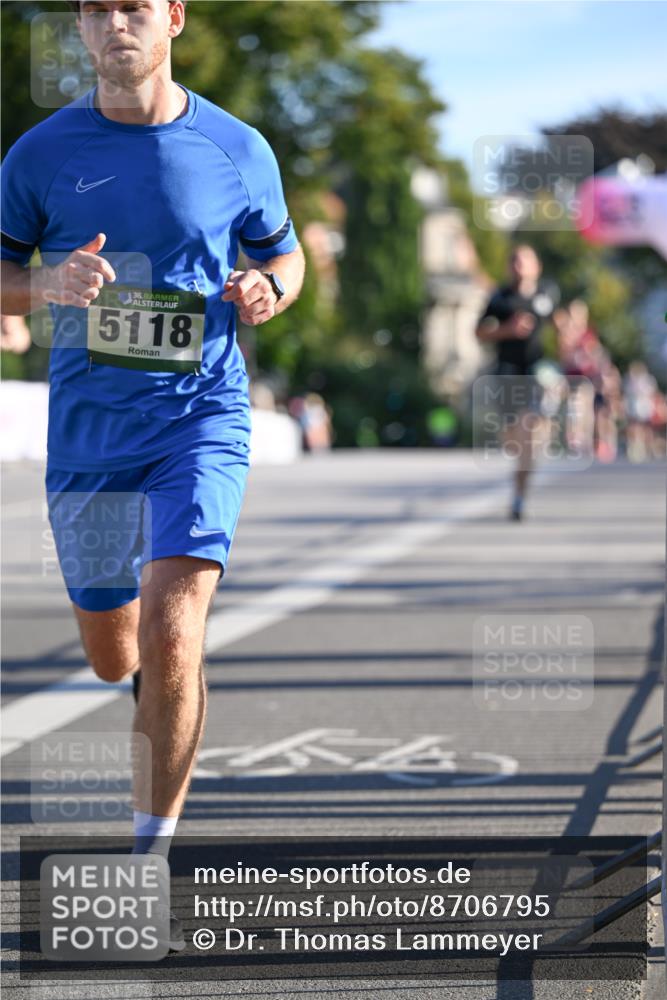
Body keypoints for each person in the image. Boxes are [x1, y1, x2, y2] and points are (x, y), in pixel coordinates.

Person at [1, 0, 305, 950]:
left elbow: (284, 258)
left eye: (133, 7)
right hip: (90, 434)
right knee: (113, 654)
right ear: (82, 30)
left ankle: (147, 858)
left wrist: (267, 291)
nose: (112, 25)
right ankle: (146, 697)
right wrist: (44, 286)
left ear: (172, 18)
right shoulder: (38, 155)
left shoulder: (236, 147)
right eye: (95, 10)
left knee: (175, 630)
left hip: (200, 418)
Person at [475, 245, 559, 520]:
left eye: (525, 261)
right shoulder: (500, 298)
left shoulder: (545, 296)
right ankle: (522, 450)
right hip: (506, 371)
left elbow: (558, 326)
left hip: (534, 372)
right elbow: (478, 331)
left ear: (537, 266)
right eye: (514, 261)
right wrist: (507, 330)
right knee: (514, 440)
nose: (519, 265)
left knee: (527, 436)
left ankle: (519, 498)